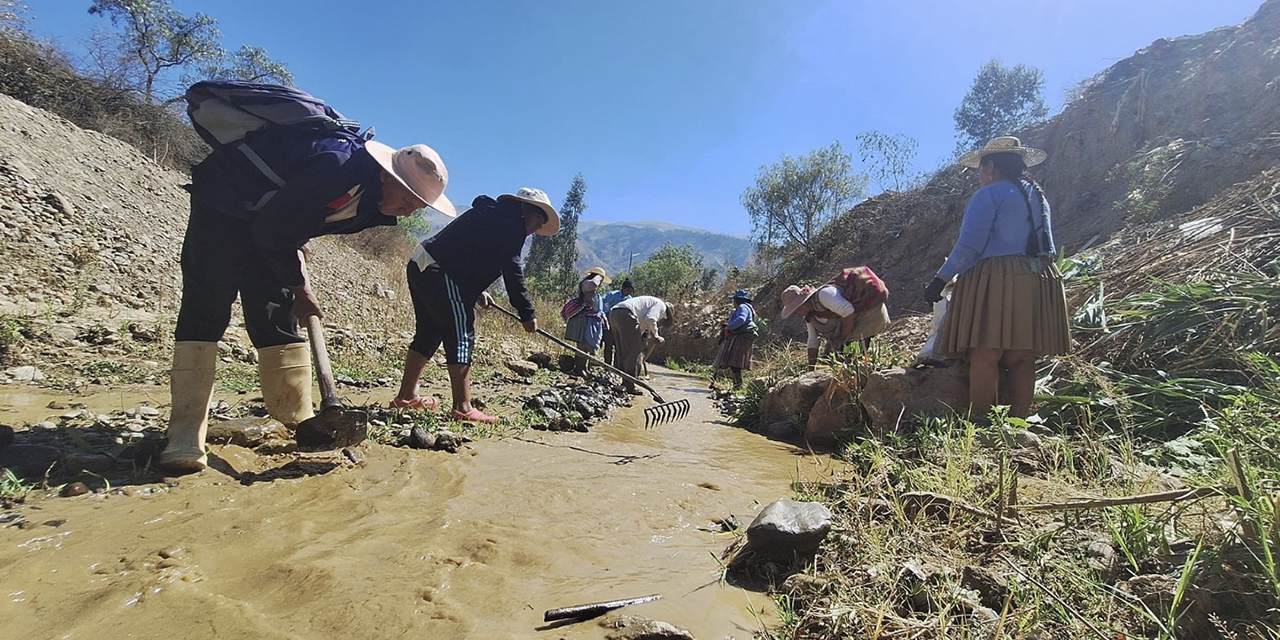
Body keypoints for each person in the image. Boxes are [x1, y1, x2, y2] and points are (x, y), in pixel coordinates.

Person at [160, 129, 455, 473]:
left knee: (274, 312)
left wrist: (296, 237)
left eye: (416, 208)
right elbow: (273, 228)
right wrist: (302, 290)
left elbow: (292, 216)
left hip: (270, 225)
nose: (406, 214)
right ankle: (185, 433)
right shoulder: (338, 166)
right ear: (386, 177)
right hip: (225, 205)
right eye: (407, 202)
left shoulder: (372, 202)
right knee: (208, 304)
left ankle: (296, 416)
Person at [922, 136, 1070, 419]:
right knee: (1022, 356)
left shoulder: (989, 194)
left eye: (980, 169)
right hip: (1039, 276)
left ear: (990, 167)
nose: (980, 175)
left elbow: (969, 245)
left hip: (998, 277)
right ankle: (1019, 421)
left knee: (985, 352)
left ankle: (980, 419)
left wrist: (941, 279)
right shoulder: (1038, 196)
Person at [391, 187, 559, 423]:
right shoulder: (512, 225)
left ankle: (406, 396)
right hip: (440, 271)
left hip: (422, 263)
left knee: (429, 333)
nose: (538, 228)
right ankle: (463, 408)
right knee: (461, 334)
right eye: (539, 219)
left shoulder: (494, 215)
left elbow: (466, 250)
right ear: (525, 209)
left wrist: (478, 290)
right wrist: (527, 313)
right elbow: (513, 271)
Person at [780, 267, 890, 368]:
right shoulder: (811, 315)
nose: (796, 314)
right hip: (852, 329)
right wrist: (810, 368)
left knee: (852, 363)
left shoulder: (824, 295)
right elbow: (813, 341)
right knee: (829, 360)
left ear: (802, 304)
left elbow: (848, 311)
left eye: (796, 310)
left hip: (869, 316)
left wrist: (842, 338)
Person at [607, 295, 673, 395]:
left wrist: (643, 339)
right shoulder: (661, 306)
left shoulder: (649, 304)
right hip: (626, 314)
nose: (661, 321)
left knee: (623, 349)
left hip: (614, 314)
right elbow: (650, 319)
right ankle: (630, 385)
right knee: (635, 351)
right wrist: (656, 335)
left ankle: (624, 381)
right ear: (666, 315)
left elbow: (640, 327)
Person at [562, 267, 611, 375]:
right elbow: (594, 284)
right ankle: (579, 368)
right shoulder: (586, 284)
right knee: (582, 344)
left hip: (591, 320)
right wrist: (598, 276)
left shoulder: (593, 289)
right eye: (601, 279)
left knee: (587, 345)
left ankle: (584, 367)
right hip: (583, 319)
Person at [713, 289, 758, 389]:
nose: (733, 303)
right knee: (736, 363)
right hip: (744, 338)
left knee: (735, 363)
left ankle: (738, 386)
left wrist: (729, 327)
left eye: (734, 300)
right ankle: (737, 385)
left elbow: (741, 319)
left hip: (741, 338)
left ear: (737, 300)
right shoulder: (748, 308)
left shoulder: (742, 307)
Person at [600, 278, 634, 366]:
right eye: (628, 290)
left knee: (619, 346)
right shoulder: (613, 295)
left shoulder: (629, 299)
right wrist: (607, 311)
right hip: (610, 322)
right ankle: (607, 365)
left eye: (631, 291)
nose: (629, 292)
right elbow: (602, 301)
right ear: (623, 288)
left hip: (621, 325)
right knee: (609, 344)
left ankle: (616, 366)